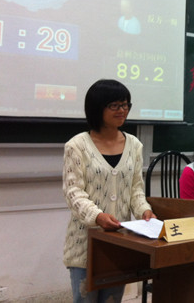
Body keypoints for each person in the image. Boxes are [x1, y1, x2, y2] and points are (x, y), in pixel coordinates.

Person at [62, 79, 156, 303]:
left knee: (113, 299)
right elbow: (74, 193)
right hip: (85, 244)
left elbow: (135, 189)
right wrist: (98, 216)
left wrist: (144, 210)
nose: (122, 110)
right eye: (115, 105)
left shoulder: (134, 145)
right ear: (97, 108)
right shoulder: (77, 145)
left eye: (125, 105)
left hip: (118, 243)